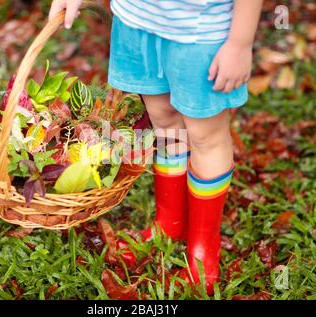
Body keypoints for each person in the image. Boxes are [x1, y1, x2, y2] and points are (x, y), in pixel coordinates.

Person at [49, 0, 263, 294]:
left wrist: (240, 43)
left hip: (198, 34)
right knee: (163, 119)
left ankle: (203, 248)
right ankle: (170, 224)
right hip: (137, 21)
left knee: (206, 136)